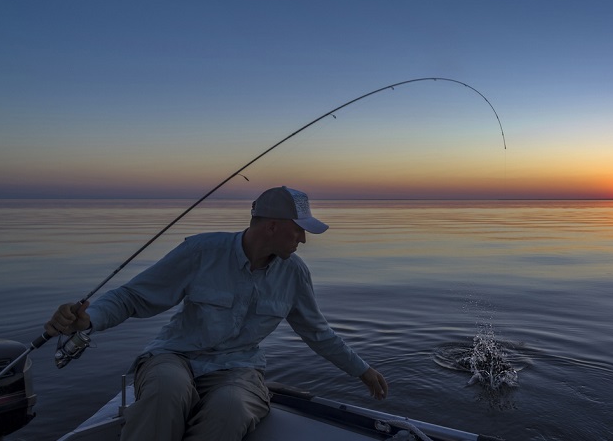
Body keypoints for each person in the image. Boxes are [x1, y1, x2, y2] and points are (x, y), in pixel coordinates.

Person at [45, 186, 388, 441]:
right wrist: (89, 319)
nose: (303, 239)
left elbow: (317, 332)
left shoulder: (295, 274)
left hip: (239, 367)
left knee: (231, 409)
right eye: (298, 229)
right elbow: (133, 296)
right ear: (271, 226)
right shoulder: (200, 251)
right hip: (174, 355)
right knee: (166, 391)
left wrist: (362, 370)